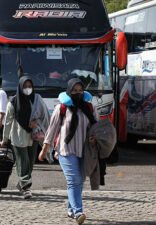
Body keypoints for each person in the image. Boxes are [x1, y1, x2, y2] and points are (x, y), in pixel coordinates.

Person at [39, 78, 98, 225]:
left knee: (80, 181)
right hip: (66, 150)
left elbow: (96, 128)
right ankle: (78, 212)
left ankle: (71, 209)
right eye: (74, 90)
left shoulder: (90, 108)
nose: (77, 93)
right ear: (69, 91)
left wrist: (94, 138)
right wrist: (44, 150)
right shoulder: (62, 108)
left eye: (80, 90)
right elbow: (51, 131)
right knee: (73, 180)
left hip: (84, 151)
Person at [0, 76, 50, 199]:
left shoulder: (37, 99)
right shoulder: (13, 102)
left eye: (29, 86)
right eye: (25, 86)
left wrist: (36, 123)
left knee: (31, 162)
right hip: (18, 136)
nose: (28, 89)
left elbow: (44, 115)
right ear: (20, 87)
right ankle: (25, 188)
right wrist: (5, 139)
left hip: (33, 135)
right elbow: (7, 122)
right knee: (23, 162)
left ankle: (22, 183)